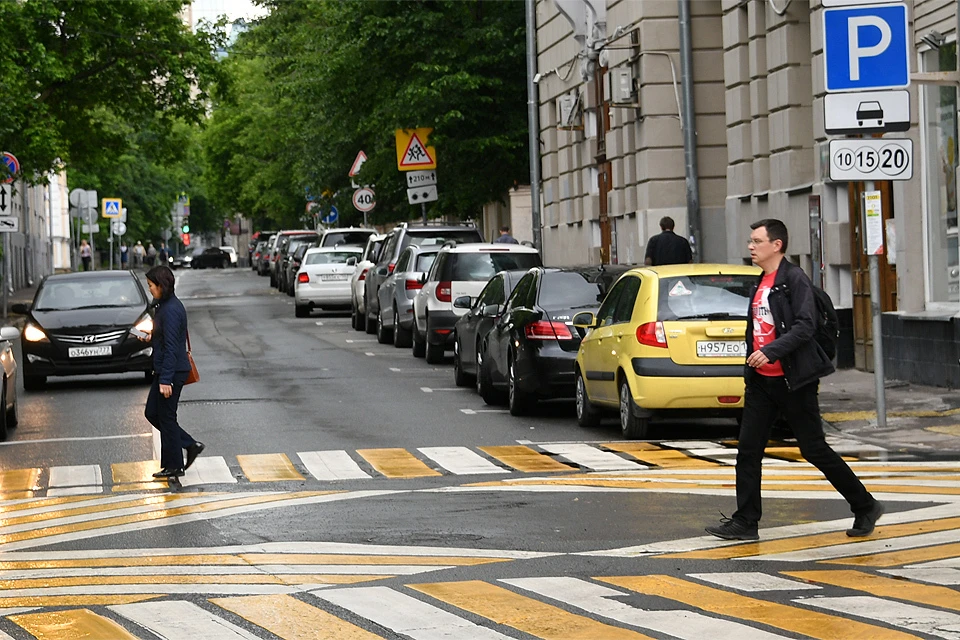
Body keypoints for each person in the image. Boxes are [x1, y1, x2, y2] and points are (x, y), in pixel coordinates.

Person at [705, 219, 883, 541]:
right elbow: (756, 329)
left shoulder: (794, 279)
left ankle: (865, 505)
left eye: (757, 241)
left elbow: (805, 326)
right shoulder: (760, 282)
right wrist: (754, 365)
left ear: (777, 245)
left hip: (793, 380)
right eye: (750, 241)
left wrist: (771, 351)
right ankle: (746, 522)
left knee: (814, 449)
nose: (750, 247)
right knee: (748, 451)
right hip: (761, 382)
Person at [141, 265, 204, 479]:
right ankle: (188, 444)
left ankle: (174, 465)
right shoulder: (164, 306)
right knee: (153, 413)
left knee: (166, 417)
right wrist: (150, 337)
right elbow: (167, 338)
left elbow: (171, 347)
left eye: (151, 286)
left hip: (171, 371)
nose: (149, 289)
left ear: (161, 285)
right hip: (166, 369)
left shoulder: (171, 310)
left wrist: (166, 379)